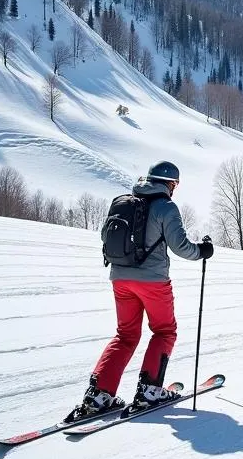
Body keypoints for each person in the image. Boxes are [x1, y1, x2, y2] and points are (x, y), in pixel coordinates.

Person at [67, 160, 214, 421]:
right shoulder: (166, 207)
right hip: (153, 281)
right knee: (164, 331)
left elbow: (106, 237)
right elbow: (180, 246)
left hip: (120, 278)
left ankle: (98, 395)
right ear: (169, 183)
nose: (174, 189)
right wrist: (202, 250)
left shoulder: (123, 202)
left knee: (125, 335)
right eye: (175, 184)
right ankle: (149, 391)